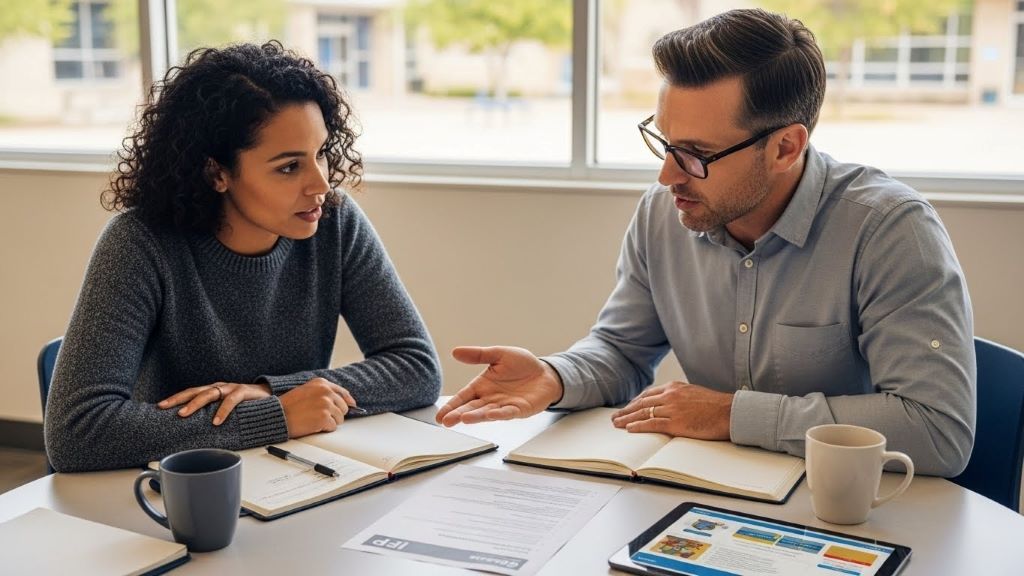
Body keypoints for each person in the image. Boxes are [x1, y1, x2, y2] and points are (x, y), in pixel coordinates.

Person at [436, 9, 975, 477]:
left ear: (786, 147)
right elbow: (623, 351)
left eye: (694, 153)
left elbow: (937, 428)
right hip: (716, 495)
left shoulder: (889, 230)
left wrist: (731, 414)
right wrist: (554, 377)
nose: (667, 176)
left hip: (852, 508)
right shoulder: (665, 213)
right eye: (663, 142)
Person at [45, 41, 441, 472]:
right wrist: (278, 416)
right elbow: (76, 432)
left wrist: (275, 393)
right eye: (289, 167)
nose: (320, 184)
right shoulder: (139, 243)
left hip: (290, 475)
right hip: (170, 492)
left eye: (321, 154)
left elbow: (416, 367)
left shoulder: (335, 222)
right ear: (217, 173)